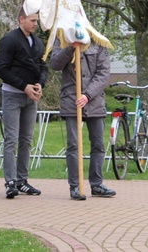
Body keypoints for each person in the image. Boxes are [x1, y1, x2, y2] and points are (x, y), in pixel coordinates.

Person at [50, 39, 116, 200]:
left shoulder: (98, 42)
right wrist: (70, 49)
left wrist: (87, 95)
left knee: (98, 145)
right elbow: (55, 64)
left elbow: (103, 73)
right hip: (71, 100)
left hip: (94, 102)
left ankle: (97, 184)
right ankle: (75, 186)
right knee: (73, 145)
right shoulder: (62, 39)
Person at [0, 9, 47, 199]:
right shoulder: (9, 40)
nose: (35, 24)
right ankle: (10, 182)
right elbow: (1, 69)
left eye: (37, 21)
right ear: (21, 19)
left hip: (30, 97)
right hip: (12, 95)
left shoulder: (37, 42)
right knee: (11, 139)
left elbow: (43, 66)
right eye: (32, 20)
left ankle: (22, 180)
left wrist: (40, 85)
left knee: (26, 140)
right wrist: (22, 86)